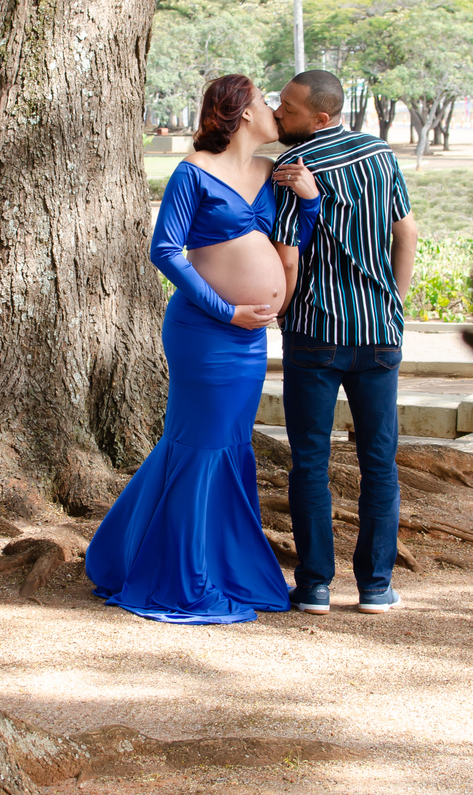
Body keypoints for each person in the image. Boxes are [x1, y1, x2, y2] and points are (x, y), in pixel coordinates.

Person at [86, 74, 321, 622]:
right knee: (201, 444)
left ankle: (205, 561)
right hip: (205, 333)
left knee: (225, 445)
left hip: (249, 341)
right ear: (242, 114)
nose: (273, 112)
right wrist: (227, 311)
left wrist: (307, 205)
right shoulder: (193, 172)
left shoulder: (268, 173)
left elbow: (284, 244)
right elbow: (165, 250)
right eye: (266, 102)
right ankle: (186, 573)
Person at [271, 69, 418, 614]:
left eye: (288, 108)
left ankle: (313, 586)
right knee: (380, 460)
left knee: (309, 461)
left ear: (320, 118)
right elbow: (407, 233)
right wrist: (394, 306)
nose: (279, 114)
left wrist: (279, 310)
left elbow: (289, 253)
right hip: (379, 333)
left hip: (314, 332)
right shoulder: (380, 154)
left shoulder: (295, 168)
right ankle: (376, 587)